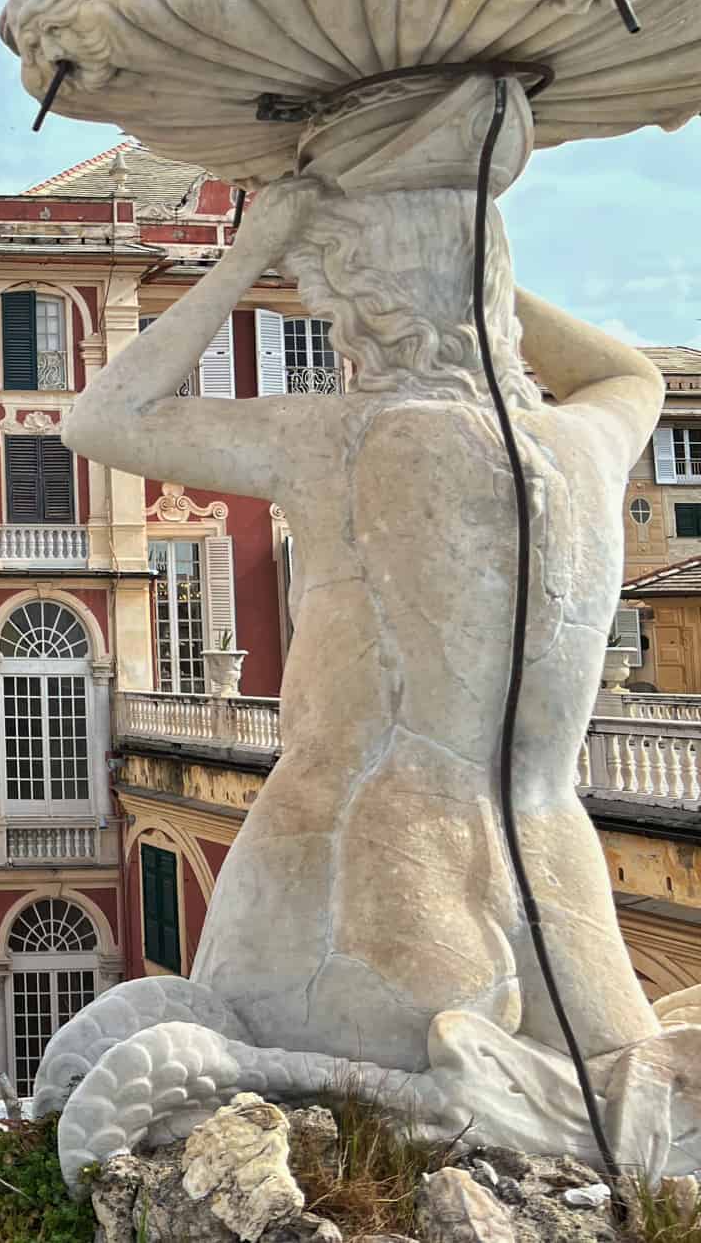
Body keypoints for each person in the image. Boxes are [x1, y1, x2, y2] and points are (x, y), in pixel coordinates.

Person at [63, 75, 666, 1078]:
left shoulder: (343, 437)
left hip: (362, 857)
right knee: (601, 1139)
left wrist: (247, 252)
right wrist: (478, 264)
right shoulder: (583, 439)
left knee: (276, 1126)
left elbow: (101, 418)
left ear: (360, 311)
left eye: (327, 309)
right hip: (554, 866)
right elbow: (630, 374)